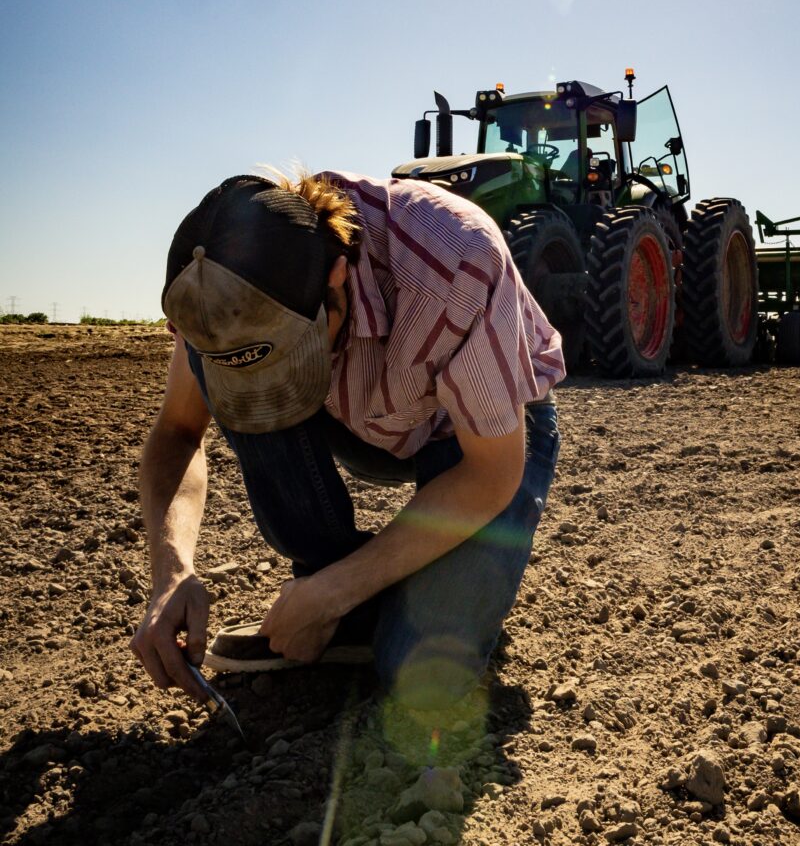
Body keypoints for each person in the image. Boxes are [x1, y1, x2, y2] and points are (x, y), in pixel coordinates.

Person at [130, 171, 564, 711]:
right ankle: (342, 597)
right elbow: (177, 432)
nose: (271, 393)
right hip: (364, 419)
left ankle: (346, 597)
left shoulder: (457, 260)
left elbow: (490, 474)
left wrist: (336, 590)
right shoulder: (221, 284)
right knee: (243, 383)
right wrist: (171, 570)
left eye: (293, 359)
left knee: (414, 668)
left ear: (337, 278)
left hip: (476, 436)